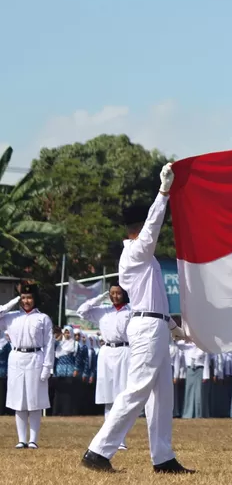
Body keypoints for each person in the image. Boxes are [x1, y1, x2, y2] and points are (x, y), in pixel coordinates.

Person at [81, 163, 194, 474]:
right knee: (137, 390)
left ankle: (163, 457)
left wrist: (175, 329)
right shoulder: (135, 252)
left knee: (162, 396)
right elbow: (154, 226)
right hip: (145, 327)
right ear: (139, 225)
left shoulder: (145, 257)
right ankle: (98, 451)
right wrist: (163, 193)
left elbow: (155, 302)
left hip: (155, 324)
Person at [77, 283, 132, 449]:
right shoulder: (103, 311)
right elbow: (82, 311)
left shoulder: (131, 311)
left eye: (118, 293)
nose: (114, 296)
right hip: (107, 352)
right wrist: (100, 297)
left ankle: (120, 439)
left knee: (121, 396)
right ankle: (109, 438)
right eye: (112, 293)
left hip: (125, 351)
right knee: (107, 397)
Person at [0, 283, 55, 449]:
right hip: (16, 358)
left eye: (29, 297)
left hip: (36, 357)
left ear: (35, 298)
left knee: (34, 400)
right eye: (23, 298)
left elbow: (49, 344)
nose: (26, 301)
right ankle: (21, 439)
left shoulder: (43, 318)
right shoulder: (11, 317)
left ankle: (33, 440)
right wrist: (12, 301)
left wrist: (48, 367)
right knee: (19, 400)